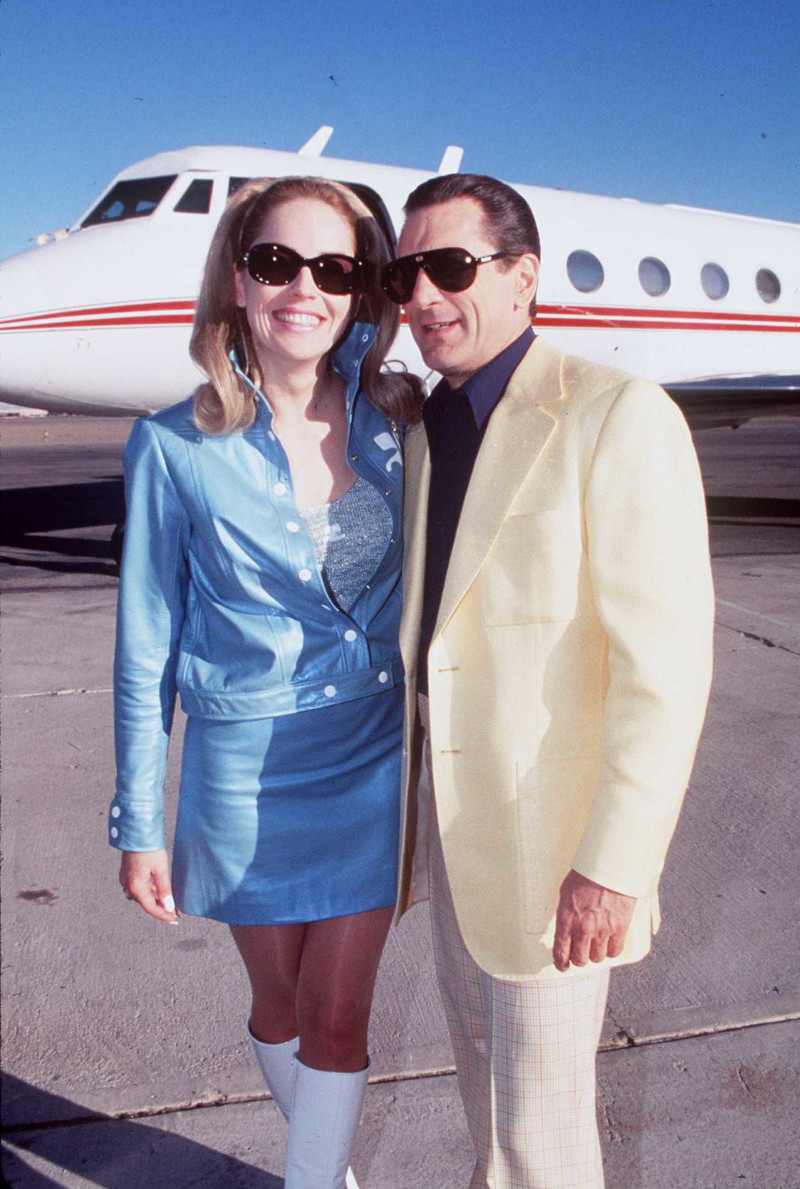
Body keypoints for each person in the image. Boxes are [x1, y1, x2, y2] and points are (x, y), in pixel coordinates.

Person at [384, 174, 714, 1188]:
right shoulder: (428, 430)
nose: (423, 296)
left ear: (523, 278)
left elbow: (664, 669)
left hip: (556, 852)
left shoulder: (615, 414)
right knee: (490, 1108)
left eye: (450, 266)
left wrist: (614, 864)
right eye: (404, 274)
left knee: (543, 1135)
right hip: (457, 833)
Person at [109, 175, 422, 1189]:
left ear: (359, 288)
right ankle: (327, 1166)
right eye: (278, 262)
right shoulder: (172, 444)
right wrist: (139, 821)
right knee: (281, 1006)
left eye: (333, 268)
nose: (304, 289)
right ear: (238, 280)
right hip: (243, 771)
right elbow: (145, 645)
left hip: (370, 758)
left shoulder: (399, 421)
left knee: (338, 1012)